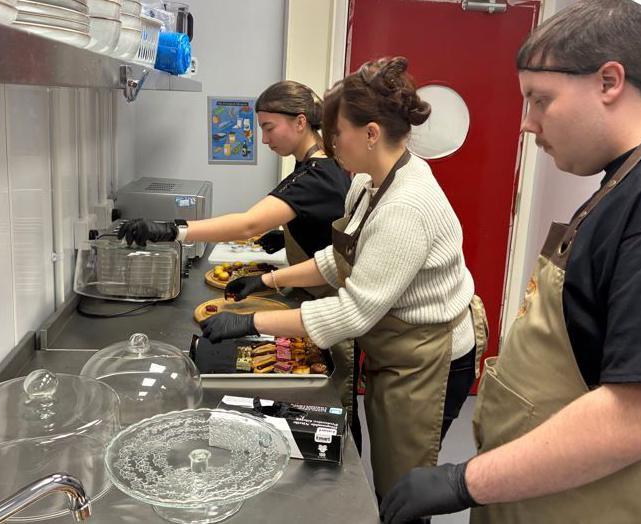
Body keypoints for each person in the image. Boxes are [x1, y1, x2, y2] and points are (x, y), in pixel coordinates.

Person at [379, 1, 641, 523]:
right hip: (558, 490)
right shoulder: (632, 175)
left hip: (625, 499)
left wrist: (464, 479)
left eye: (541, 101)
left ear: (610, 81)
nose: (527, 124)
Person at [200, 56, 482, 499]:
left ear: (371, 133)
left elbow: (352, 313)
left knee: (405, 486)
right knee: (387, 473)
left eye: (337, 132)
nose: (330, 141)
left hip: (429, 357)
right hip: (396, 348)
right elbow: (340, 258)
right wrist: (271, 283)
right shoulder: (368, 183)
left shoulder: (405, 207)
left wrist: (252, 322)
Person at [117, 81, 350, 297]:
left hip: (328, 296)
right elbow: (319, 218)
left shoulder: (317, 175)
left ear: (300, 122)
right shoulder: (317, 163)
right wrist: (293, 237)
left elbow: (248, 224)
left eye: (269, 128)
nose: (265, 140)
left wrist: (171, 230)